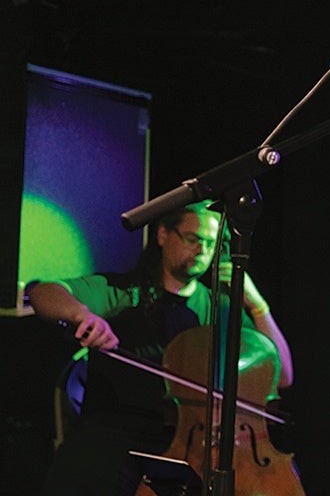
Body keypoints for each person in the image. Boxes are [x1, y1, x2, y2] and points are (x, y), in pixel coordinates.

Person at [29, 199, 298, 496]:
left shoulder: (218, 307)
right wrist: (82, 315)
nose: (203, 251)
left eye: (210, 244)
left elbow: (281, 374)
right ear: (162, 235)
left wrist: (258, 306)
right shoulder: (124, 292)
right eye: (193, 239)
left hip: (186, 442)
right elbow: (44, 294)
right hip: (116, 436)